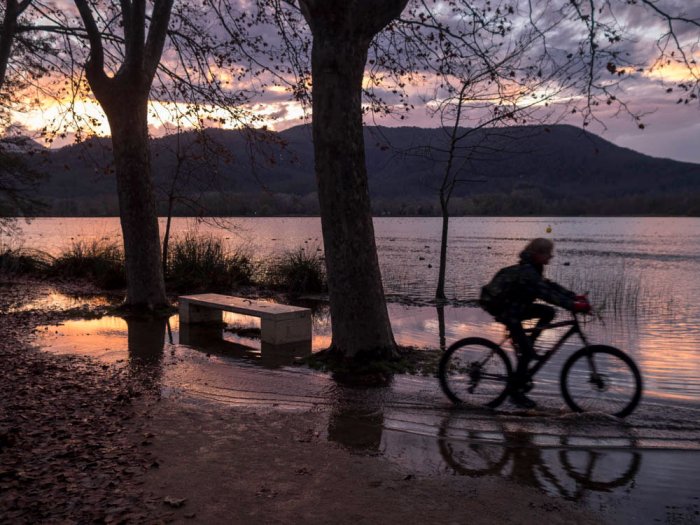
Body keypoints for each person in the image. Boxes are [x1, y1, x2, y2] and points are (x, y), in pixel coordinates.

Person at [479, 238, 591, 409]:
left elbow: (550, 286)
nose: (551, 257)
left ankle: (529, 343)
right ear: (538, 254)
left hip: (515, 306)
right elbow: (547, 294)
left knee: (548, 312)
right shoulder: (528, 272)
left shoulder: (533, 269)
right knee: (525, 351)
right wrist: (573, 305)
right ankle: (516, 393)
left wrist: (574, 297)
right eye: (548, 253)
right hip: (504, 308)